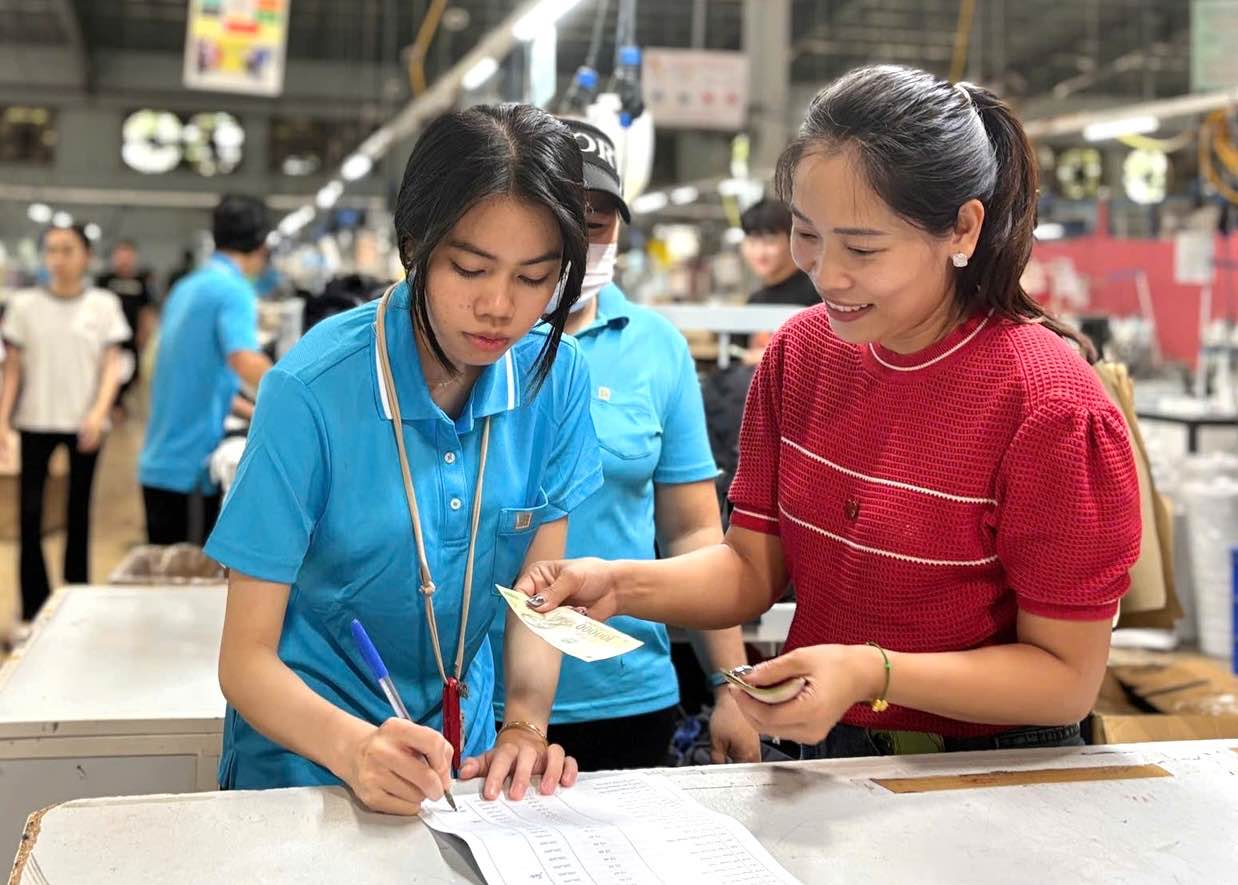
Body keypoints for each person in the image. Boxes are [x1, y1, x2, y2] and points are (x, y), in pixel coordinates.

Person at [516, 65, 1142, 759]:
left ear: (963, 228)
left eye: (864, 249)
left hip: (982, 771)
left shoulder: (1049, 408)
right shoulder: (802, 355)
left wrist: (870, 672)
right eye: (806, 234)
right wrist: (617, 581)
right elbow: (752, 568)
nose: (826, 274)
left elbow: (1064, 680)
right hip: (820, 756)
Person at [204, 104, 602, 813]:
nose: (500, 307)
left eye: (536, 277)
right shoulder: (312, 392)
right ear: (413, 244)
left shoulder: (555, 377)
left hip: (466, 765)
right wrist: (352, 747)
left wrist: (524, 723)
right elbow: (245, 661)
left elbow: (539, 598)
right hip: (307, 767)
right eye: (470, 268)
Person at [488, 119, 760, 770]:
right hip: (480, 692)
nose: (581, 242)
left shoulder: (655, 346)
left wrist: (730, 684)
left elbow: (694, 531)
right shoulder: (480, 340)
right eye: (560, 217)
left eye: (599, 222)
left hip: (626, 690)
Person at [0, 225, 130, 620]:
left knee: (78, 515)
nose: (58, 258)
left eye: (68, 250)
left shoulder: (103, 304)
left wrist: (99, 412)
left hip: (84, 425)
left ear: (86, 256)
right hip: (34, 421)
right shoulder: (23, 305)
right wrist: (3, 421)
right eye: (52, 250)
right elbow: (13, 370)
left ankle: (77, 606)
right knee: (30, 516)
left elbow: (112, 365)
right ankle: (32, 610)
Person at [139, 195, 274, 546]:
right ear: (261, 245)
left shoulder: (187, 287)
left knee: (167, 587)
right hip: (191, 470)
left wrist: (255, 410)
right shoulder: (233, 291)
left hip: (160, 463)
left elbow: (197, 378)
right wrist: (301, 392)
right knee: (190, 591)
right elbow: (244, 360)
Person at [735, 197, 820, 354]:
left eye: (770, 242)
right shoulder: (755, 301)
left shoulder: (817, 295)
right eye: (752, 242)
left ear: (792, 241)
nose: (759, 253)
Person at [96, 239, 157, 415]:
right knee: (108, 370)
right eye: (120, 255)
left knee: (131, 373)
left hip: (131, 336)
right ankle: (112, 404)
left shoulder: (140, 282)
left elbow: (146, 310)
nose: (124, 259)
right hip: (107, 337)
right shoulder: (104, 280)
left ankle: (119, 402)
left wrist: (145, 333)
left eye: (127, 256)